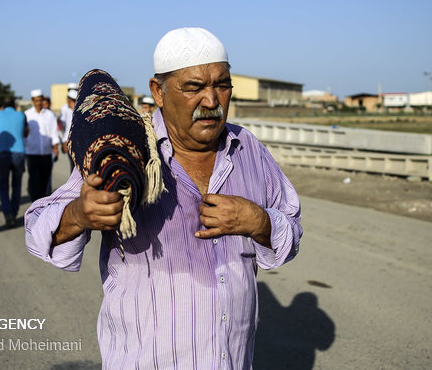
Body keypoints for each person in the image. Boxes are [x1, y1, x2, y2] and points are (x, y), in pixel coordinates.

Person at [25, 27, 303, 368]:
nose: (212, 101)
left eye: (222, 85)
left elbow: (291, 230)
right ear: (158, 91)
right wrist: (79, 216)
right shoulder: (126, 151)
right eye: (194, 87)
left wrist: (259, 222)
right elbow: (38, 228)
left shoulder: (248, 150)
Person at [0, 96, 29, 228]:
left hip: (2, 154)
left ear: (2, 105)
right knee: (16, 186)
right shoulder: (21, 115)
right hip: (19, 154)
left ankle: (7, 214)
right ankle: (14, 214)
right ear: (15, 105)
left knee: (3, 186)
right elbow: (26, 133)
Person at [24, 89, 60, 202]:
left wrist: (55, 147)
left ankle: (43, 203)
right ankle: (35, 202)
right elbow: (24, 134)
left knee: (45, 180)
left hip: (46, 152)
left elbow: (53, 132)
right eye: (37, 100)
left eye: (41, 100)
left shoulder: (49, 115)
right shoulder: (27, 115)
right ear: (33, 101)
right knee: (34, 179)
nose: (39, 103)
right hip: (31, 152)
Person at [59, 84, 78, 173]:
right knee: (73, 166)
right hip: (70, 142)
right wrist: (64, 141)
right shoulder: (66, 109)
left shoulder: (77, 111)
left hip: (77, 143)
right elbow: (65, 127)